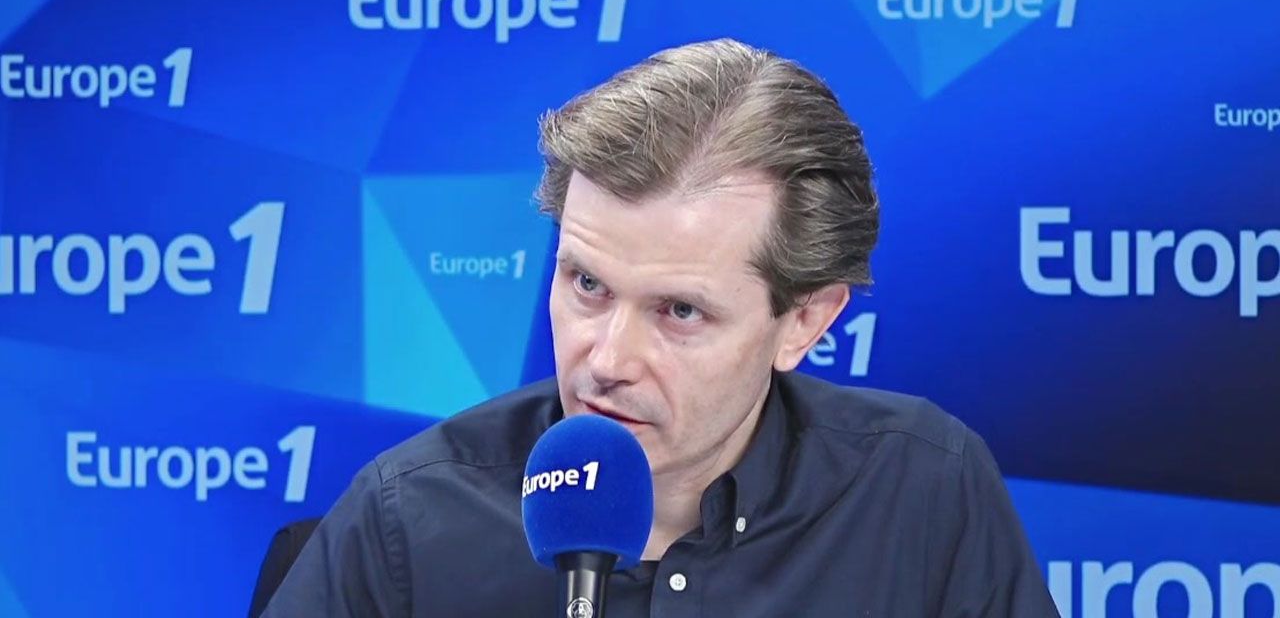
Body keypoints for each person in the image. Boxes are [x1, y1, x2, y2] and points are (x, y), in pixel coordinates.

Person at [262, 38, 1060, 617]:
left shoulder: (921, 490)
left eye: (679, 311)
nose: (606, 359)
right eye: (587, 284)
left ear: (804, 321)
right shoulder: (407, 519)